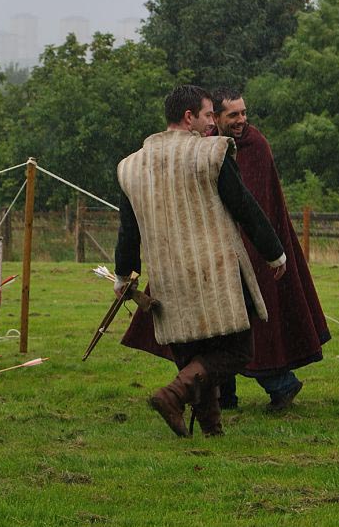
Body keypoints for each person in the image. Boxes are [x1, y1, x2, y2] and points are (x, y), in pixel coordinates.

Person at [114, 85, 287, 437]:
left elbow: (128, 232)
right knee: (238, 351)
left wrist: (124, 275)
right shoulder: (213, 152)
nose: (212, 123)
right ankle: (173, 394)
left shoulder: (130, 166)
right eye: (209, 115)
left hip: (168, 277)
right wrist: (274, 252)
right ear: (189, 117)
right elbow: (244, 206)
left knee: (196, 352)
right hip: (217, 271)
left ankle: (211, 429)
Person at [209, 88, 331, 411]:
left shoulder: (255, 146)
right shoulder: (207, 144)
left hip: (252, 249)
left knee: (256, 325)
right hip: (214, 248)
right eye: (233, 114)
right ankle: (224, 396)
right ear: (217, 116)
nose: (241, 120)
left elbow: (256, 205)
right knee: (218, 323)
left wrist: (259, 251)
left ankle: (281, 385)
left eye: (243, 113)